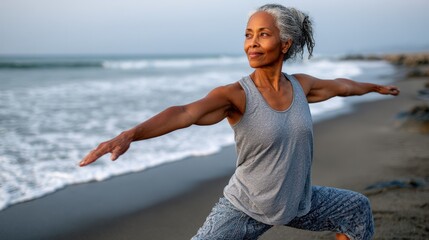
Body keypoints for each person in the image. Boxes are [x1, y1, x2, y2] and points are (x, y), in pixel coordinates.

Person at [80, 4, 399, 240]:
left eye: (263, 34)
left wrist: (376, 87)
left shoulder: (302, 85)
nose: (252, 43)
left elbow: (342, 86)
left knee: (356, 209)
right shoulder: (236, 95)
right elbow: (184, 113)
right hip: (245, 207)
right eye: (248, 35)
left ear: (284, 44)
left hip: (300, 202)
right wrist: (131, 134)